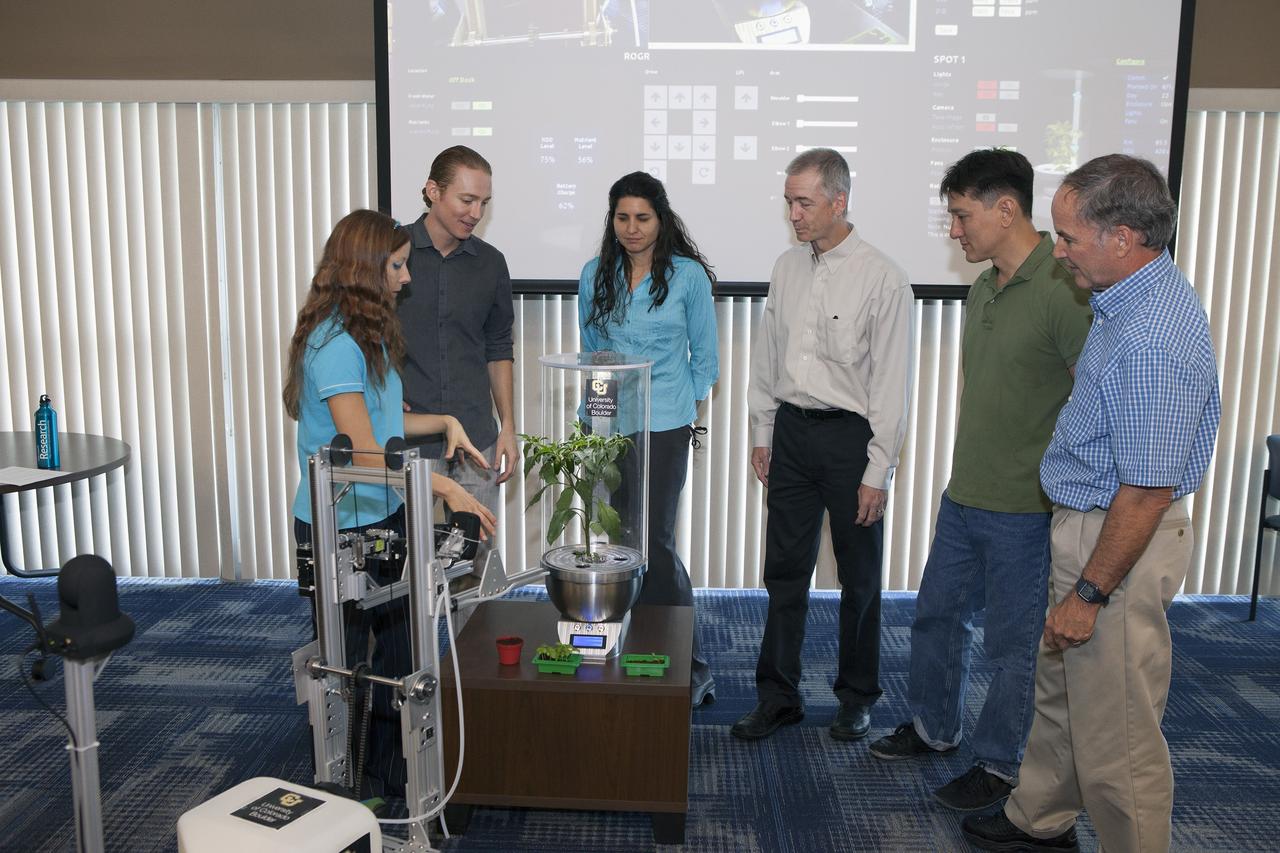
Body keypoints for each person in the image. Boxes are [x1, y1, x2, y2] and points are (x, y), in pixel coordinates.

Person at [962, 155, 1221, 853]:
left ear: (1123, 238)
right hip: (1090, 527)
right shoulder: (1121, 298)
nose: (1059, 251)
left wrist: (1088, 592)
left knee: (1118, 738)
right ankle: (1039, 818)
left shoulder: (1152, 339)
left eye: (1070, 238)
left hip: (1118, 543)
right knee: (1063, 695)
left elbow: (1146, 491)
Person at [867, 149, 1092, 811]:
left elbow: (1091, 401)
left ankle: (1000, 763)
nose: (954, 230)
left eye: (963, 216)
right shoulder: (982, 288)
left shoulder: (1065, 288)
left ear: (1007, 209)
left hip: (1028, 504)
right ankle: (934, 726)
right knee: (936, 615)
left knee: (1013, 646)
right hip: (965, 493)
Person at [284, 208, 497, 798]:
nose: (407, 277)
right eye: (398, 266)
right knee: (347, 668)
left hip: (386, 511)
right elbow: (364, 452)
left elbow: (388, 423)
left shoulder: (368, 332)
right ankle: (347, 792)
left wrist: (445, 421)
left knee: (401, 660)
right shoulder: (334, 345)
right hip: (339, 526)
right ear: (365, 269)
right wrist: (445, 486)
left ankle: (393, 778)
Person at [733, 148, 914, 742]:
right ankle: (777, 697)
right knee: (784, 571)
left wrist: (877, 470)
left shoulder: (883, 277)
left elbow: (890, 385)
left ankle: (857, 696)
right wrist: (763, 431)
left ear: (840, 202)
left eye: (804, 203)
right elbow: (768, 357)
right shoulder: (787, 268)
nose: (794, 214)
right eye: (789, 202)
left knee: (859, 576)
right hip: (791, 432)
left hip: (850, 440)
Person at [578, 171, 720, 707]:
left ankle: (688, 662)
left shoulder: (688, 277)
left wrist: (683, 410)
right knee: (617, 542)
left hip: (666, 424)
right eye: (622, 217)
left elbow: (706, 359)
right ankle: (629, 648)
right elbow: (592, 354)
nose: (632, 228)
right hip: (610, 426)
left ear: (661, 220)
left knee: (655, 542)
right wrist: (591, 423)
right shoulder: (594, 274)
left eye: (642, 217)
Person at [398, 146, 517, 521]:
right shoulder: (392, 255)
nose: (476, 214)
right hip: (406, 442)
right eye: (467, 200)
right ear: (433, 191)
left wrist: (508, 427)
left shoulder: (491, 264)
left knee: (474, 552)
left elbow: (499, 348)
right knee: (403, 554)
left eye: (484, 203)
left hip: (476, 442)